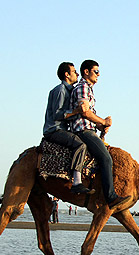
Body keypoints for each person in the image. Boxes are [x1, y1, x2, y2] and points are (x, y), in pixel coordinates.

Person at [70, 60, 131, 208]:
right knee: (106, 159)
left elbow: (88, 115)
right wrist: (102, 122)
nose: (98, 75)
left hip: (88, 128)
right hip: (82, 130)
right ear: (86, 72)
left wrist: (100, 124)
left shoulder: (88, 89)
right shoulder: (83, 88)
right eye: (96, 71)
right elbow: (85, 112)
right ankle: (110, 197)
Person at [43, 62, 94, 195]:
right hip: (54, 129)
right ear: (67, 74)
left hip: (62, 129)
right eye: (74, 71)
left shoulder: (70, 91)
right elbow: (58, 114)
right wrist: (77, 111)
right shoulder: (61, 90)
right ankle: (77, 182)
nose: (77, 74)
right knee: (80, 145)